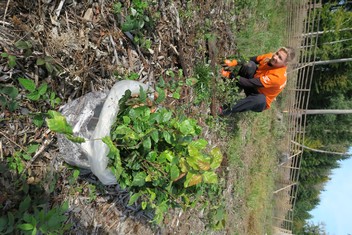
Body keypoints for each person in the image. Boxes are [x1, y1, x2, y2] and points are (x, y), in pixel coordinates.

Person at [219, 46, 295, 115]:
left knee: (260, 99)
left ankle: (224, 110)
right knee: (250, 65)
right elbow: (250, 59)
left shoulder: (278, 76)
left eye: (280, 58)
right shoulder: (270, 57)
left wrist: (228, 75)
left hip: (258, 98)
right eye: (277, 53)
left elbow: (249, 83)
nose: (275, 57)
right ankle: (232, 91)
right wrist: (233, 62)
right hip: (254, 83)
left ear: (285, 64)